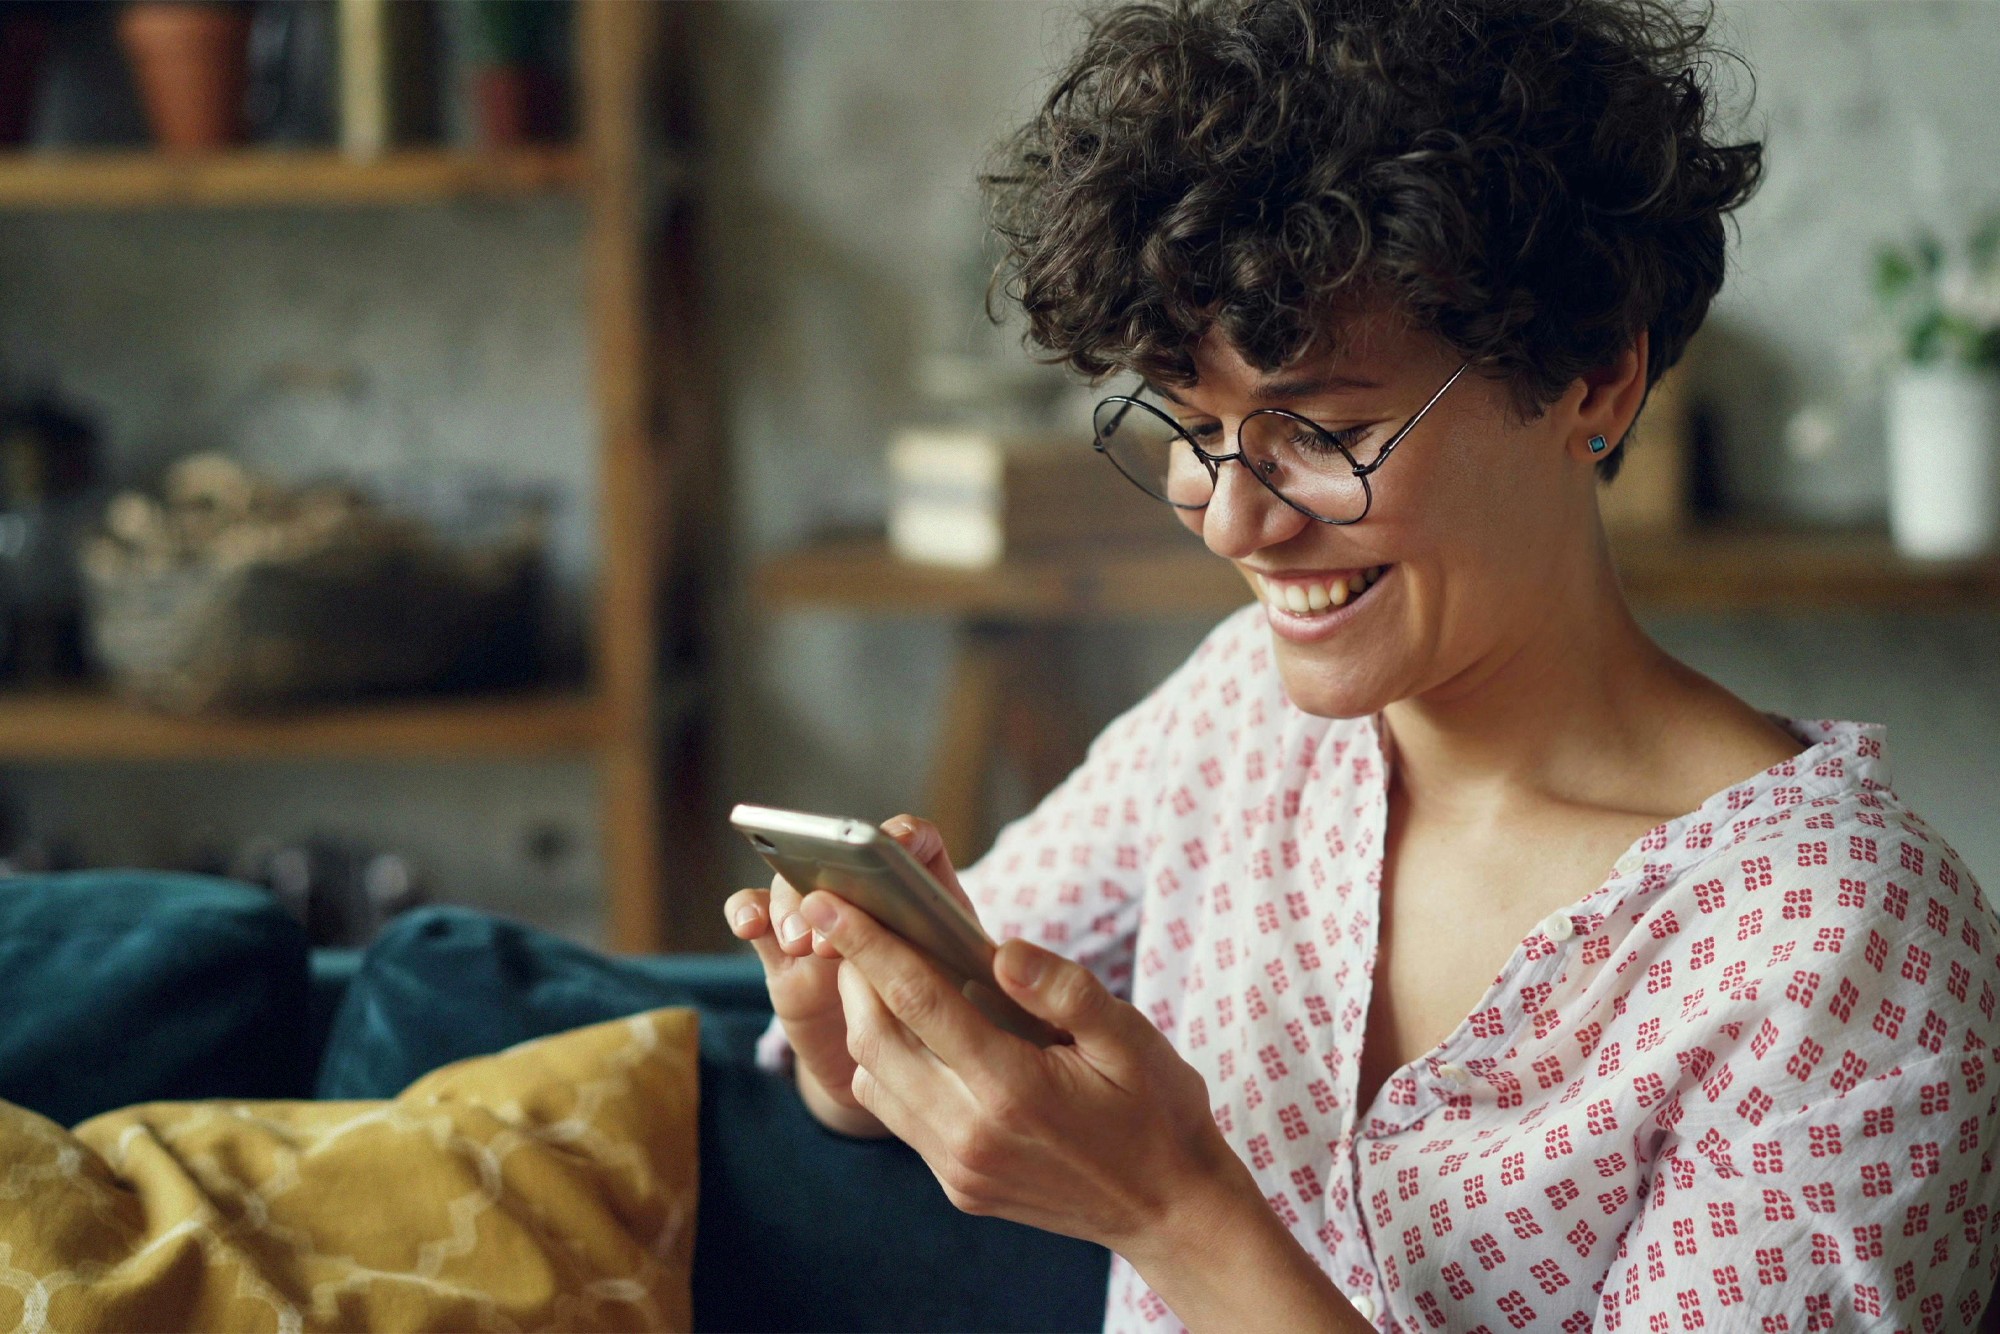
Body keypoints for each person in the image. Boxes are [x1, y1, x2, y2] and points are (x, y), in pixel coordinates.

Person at [726, 0, 2000, 1328]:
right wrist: (847, 1036)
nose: (1234, 520)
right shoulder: (1238, 721)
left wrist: (1171, 1209)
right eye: (1193, 427)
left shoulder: (1835, 947)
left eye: (1324, 432)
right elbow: (910, 1059)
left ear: (1598, 380)